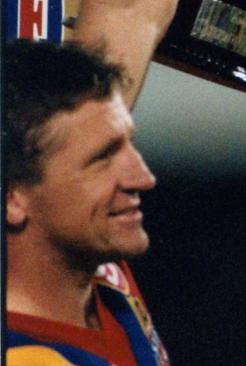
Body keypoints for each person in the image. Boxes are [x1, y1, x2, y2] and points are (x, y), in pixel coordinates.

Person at [5, 1, 177, 364]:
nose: (143, 180)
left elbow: (129, 10)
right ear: (13, 198)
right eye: (102, 159)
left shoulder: (81, 263)